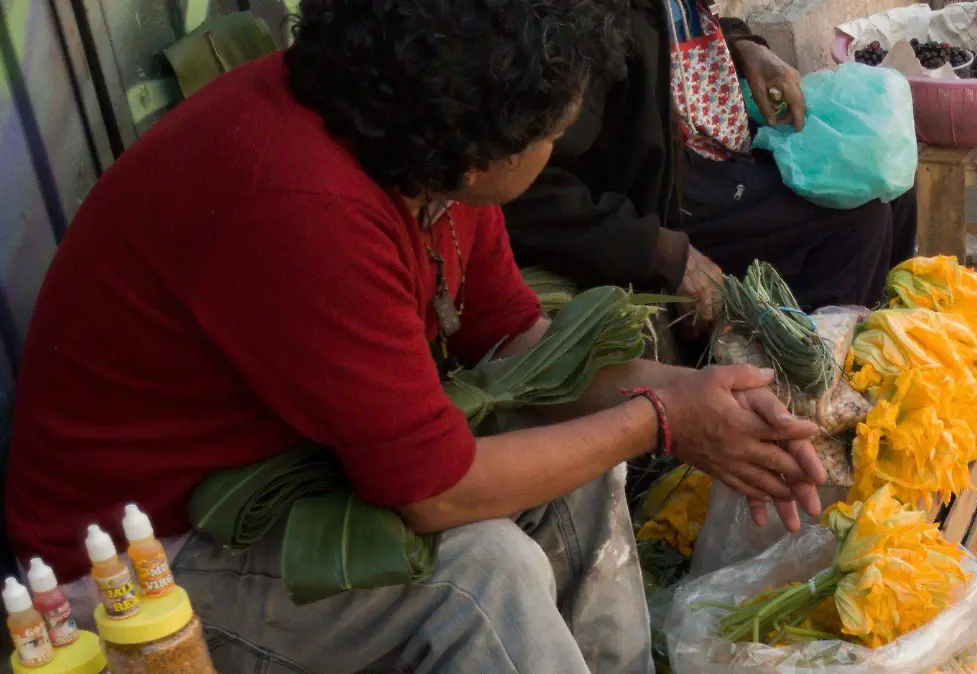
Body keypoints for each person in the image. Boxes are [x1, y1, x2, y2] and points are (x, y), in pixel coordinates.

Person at [4, 1, 825, 672]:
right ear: (480, 153)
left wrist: (679, 395)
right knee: (481, 580)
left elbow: (514, 342)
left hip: (280, 473)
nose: (554, 148)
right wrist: (659, 420)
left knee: (579, 472)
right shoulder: (298, 202)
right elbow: (434, 491)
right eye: (551, 135)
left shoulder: (416, 139)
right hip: (136, 569)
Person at [502, 0, 918, 329]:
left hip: (718, 149)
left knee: (890, 186)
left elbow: (678, 27)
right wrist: (660, 252)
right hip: (663, 193)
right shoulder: (580, 23)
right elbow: (529, 190)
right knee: (858, 223)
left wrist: (744, 47)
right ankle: (806, 386)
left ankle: (881, 347)